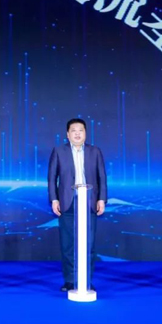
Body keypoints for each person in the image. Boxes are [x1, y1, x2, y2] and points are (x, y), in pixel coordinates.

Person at [48, 118, 107, 292]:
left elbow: (102, 177)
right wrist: (54, 199)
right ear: (68, 134)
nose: (77, 133)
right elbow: (52, 178)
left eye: (81, 130)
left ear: (86, 133)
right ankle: (70, 280)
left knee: (89, 245)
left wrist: (102, 199)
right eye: (73, 130)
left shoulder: (95, 151)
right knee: (68, 245)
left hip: (89, 203)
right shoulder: (59, 151)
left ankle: (86, 280)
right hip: (67, 203)